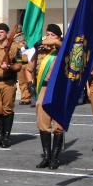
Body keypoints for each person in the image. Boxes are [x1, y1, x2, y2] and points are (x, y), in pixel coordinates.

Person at [27, 24, 64, 169]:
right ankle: (47, 156)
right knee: (43, 122)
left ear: (58, 37)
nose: (49, 37)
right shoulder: (40, 51)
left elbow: (61, 46)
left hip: (58, 89)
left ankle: (55, 157)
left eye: (52, 35)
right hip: (43, 88)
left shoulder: (61, 49)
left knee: (58, 125)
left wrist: (50, 41)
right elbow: (29, 69)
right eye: (47, 34)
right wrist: (30, 84)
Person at [14, 31, 33, 105]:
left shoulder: (30, 40)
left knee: (30, 81)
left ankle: (32, 97)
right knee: (22, 82)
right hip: (21, 63)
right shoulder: (17, 41)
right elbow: (17, 52)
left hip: (29, 63)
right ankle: (25, 98)